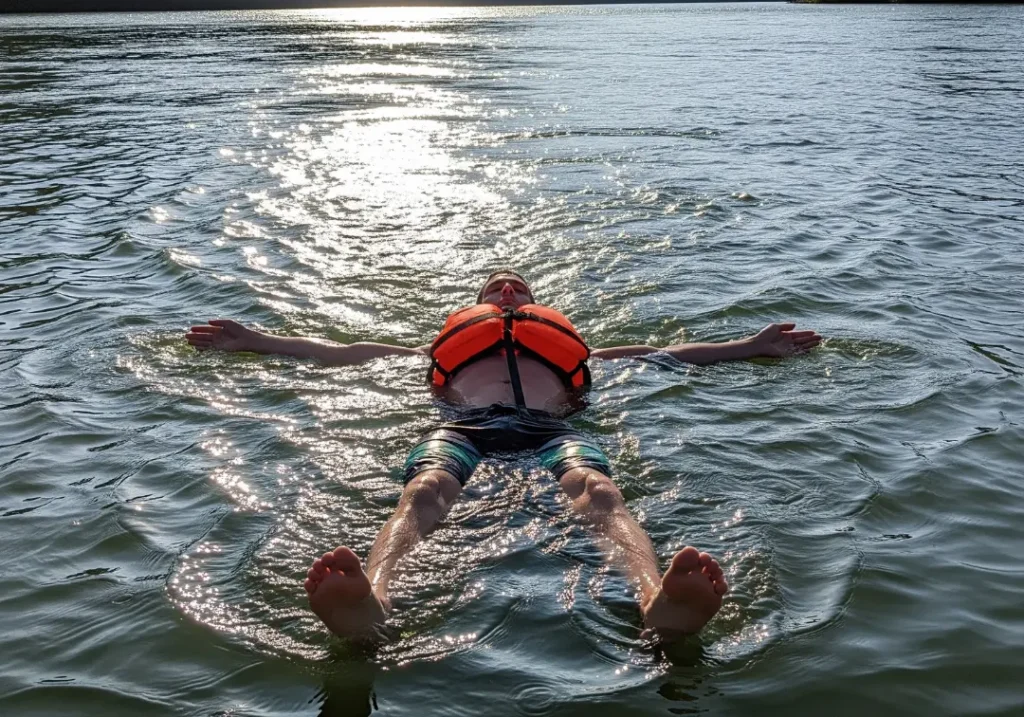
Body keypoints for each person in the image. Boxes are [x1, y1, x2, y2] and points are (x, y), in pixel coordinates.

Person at [186, 271, 821, 643]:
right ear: (481, 306)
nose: (508, 289)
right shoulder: (428, 353)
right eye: (497, 286)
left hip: (548, 429)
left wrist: (752, 345)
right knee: (425, 490)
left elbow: (674, 353)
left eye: (517, 286)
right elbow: (340, 351)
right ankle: (373, 599)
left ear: (535, 304)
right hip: (466, 425)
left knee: (600, 493)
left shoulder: (587, 352)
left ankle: (657, 600)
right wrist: (257, 340)